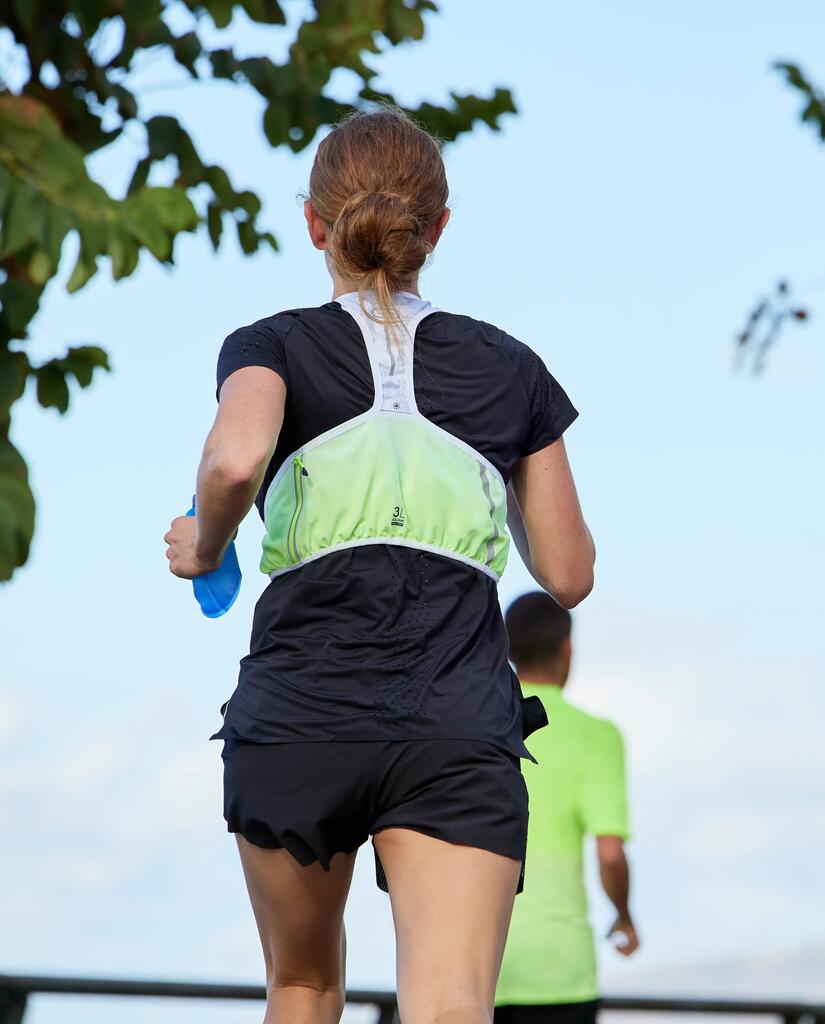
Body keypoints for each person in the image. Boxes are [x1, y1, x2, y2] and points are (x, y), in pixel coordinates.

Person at [163, 106, 595, 1024]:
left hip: (301, 710)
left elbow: (236, 460)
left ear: (314, 223)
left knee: (304, 985)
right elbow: (567, 572)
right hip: (456, 715)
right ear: (436, 229)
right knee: (447, 1004)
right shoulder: (511, 367)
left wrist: (203, 544)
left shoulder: (271, 344)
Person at [494, 592, 636, 1024]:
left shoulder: (479, 728)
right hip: (559, 970)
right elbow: (610, 854)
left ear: (507, 649)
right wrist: (624, 916)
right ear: (567, 648)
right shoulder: (596, 736)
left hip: (476, 956)